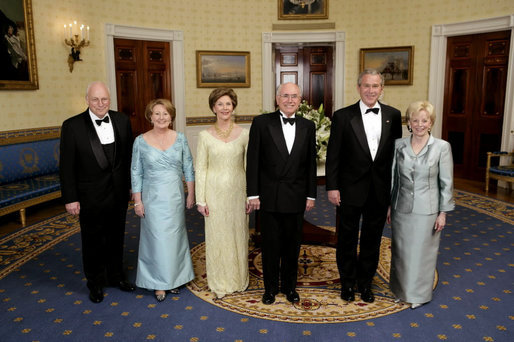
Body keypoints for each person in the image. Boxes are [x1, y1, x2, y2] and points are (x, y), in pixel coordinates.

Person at [325, 69, 402, 303]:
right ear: (358, 87)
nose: (371, 90)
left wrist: (392, 195)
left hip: (379, 191)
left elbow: (395, 158)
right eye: (366, 85)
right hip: (349, 189)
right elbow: (333, 155)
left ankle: (365, 283)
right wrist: (332, 186)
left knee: (372, 239)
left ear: (382, 89)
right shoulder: (342, 116)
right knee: (346, 238)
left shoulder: (393, 115)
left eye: (375, 86)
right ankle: (347, 283)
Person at [60, 81, 135, 303]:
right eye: (95, 99)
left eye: (104, 99)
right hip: (89, 195)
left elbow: (129, 157)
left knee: (116, 236)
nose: (100, 104)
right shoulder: (72, 126)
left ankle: (116, 276)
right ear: (87, 100)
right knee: (92, 240)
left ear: (109, 100)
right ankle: (94, 283)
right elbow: (66, 165)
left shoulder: (122, 120)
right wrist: (70, 197)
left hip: (119, 193)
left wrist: (132, 185)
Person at [246, 82, 317, 305]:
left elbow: (310, 165)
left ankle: (289, 287)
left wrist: (311, 195)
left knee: (292, 246)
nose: (289, 100)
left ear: (300, 100)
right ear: (277, 99)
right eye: (285, 96)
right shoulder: (261, 123)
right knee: (270, 246)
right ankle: (270, 288)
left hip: (296, 196)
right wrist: (253, 194)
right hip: (269, 196)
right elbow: (253, 161)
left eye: (294, 96)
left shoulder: (308, 125)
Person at [387, 100, 454, 309]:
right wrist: (389, 206)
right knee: (401, 252)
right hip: (401, 207)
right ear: (409, 122)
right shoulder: (399, 145)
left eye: (424, 120)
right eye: (415, 120)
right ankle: (401, 291)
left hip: (428, 210)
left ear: (431, 122)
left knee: (422, 254)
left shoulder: (442, 147)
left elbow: (446, 183)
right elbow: (393, 178)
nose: (419, 124)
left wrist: (443, 212)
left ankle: (418, 295)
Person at [131, 98, 195, 302]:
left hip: (175, 196)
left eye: (165, 113)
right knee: (156, 240)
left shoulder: (181, 138)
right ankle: (158, 282)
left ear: (171, 116)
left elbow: (189, 168)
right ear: (150, 116)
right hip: (152, 198)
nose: (161, 117)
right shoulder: (140, 141)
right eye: (157, 113)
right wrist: (137, 201)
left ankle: (175, 279)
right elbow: (135, 173)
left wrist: (191, 194)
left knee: (175, 238)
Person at [195, 88, 250, 298]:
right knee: (218, 237)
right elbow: (201, 168)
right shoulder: (204, 136)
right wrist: (201, 199)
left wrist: (249, 195)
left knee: (238, 235)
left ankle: (238, 278)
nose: (224, 108)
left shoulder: (245, 134)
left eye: (228, 103)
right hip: (214, 192)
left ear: (233, 106)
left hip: (238, 191)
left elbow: (248, 167)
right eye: (220, 104)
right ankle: (219, 280)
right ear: (213, 108)